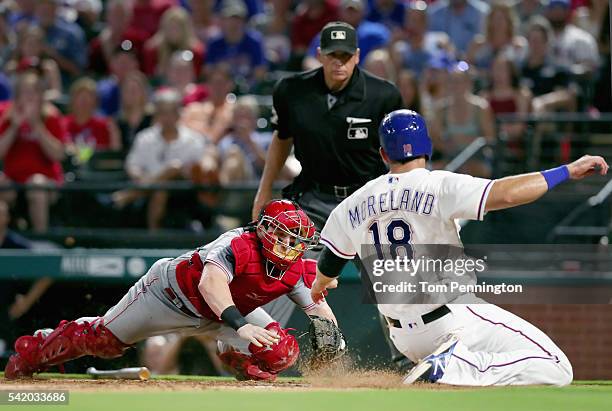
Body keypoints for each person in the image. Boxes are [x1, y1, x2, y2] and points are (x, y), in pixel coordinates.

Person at [310, 109, 609, 386]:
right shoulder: (438, 184)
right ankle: (452, 366)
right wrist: (566, 171)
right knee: (556, 365)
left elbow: (330, 261)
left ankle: (446, 365)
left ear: (383, 153)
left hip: (403, 337)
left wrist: (321, 284)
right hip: (451, 317)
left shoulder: (355, 202)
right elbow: (506, 194)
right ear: (427, 147)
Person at [5, 199, 339, 382]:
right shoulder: (237, 242)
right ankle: (35, 349)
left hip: (227, 313)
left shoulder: (298, 267)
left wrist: (331, 336)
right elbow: (211, 284)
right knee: (104, 342)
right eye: (282, 235)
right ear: (263, 228)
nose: (288, 245)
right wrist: (241, 325)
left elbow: (317, 304)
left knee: (280, 351)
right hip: (169, 296)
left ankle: (237, 358)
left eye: (295, 240)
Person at [252, 21, 402, 231]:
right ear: (319, 55)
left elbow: (400, 152)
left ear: (357, 56)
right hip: (313, 199)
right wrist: (264, 190)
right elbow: (283, 137)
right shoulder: (292, 91)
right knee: (299, 261)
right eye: (333, 55)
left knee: (378, 263)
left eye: (346, 56)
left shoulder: (384, 95)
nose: (339, 63)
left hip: (368, 200)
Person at [112, 89, 208, 230]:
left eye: (171, 112)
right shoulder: (144, 138)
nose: (167, 117)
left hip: (184, 195)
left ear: (179, 113)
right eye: (162, 112)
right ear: (156, 114)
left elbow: (198, 171)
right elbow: (133, 166)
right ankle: (154, 234)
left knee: (175, 167)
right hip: (149, 196)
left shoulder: (194, 140)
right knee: (161, 188)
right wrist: (140, 176)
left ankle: (131, 194)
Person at [0, 71, 66, 233]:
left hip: (45, 181)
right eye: (25, 92)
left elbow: (58, 154)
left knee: (36, 185)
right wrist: (14, 127)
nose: (29, 97)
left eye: (33, 92)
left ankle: (41, 240)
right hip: (13, 180)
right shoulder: (7, 115)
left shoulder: (51, 116)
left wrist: (36, 125)